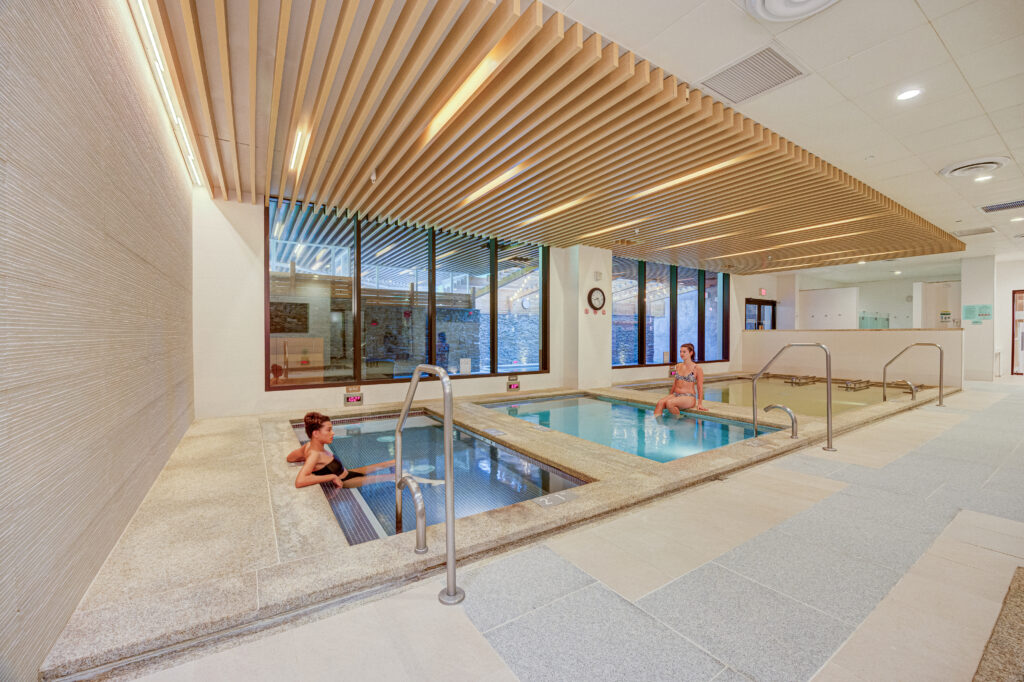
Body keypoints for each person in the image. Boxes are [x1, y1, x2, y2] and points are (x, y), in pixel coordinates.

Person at [288, 412, 394, 488]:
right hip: (346, 481)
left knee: (389, 463)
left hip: (346, 473)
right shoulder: (314, 454)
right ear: (316, 433)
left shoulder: (308, 446)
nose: (332, 433)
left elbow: (290, 458)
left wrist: (306, 460)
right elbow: (300, 481)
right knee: (388, 477)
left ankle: (393, 463)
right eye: (328, 430)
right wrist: (331, 476)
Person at [654, 343, 707, 417]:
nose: (681, 354)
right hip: (676, 394)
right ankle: (657, 423)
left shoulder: (697, 368)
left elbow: (700, 387)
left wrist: (700, 404)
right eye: (680, 351)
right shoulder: (678, 366)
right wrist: (670, 395)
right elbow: (675, 383)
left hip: (689, 397)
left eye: (684, 352)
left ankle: (678, 422)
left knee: (670, 403)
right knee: (660, 403)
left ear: (691, 353)